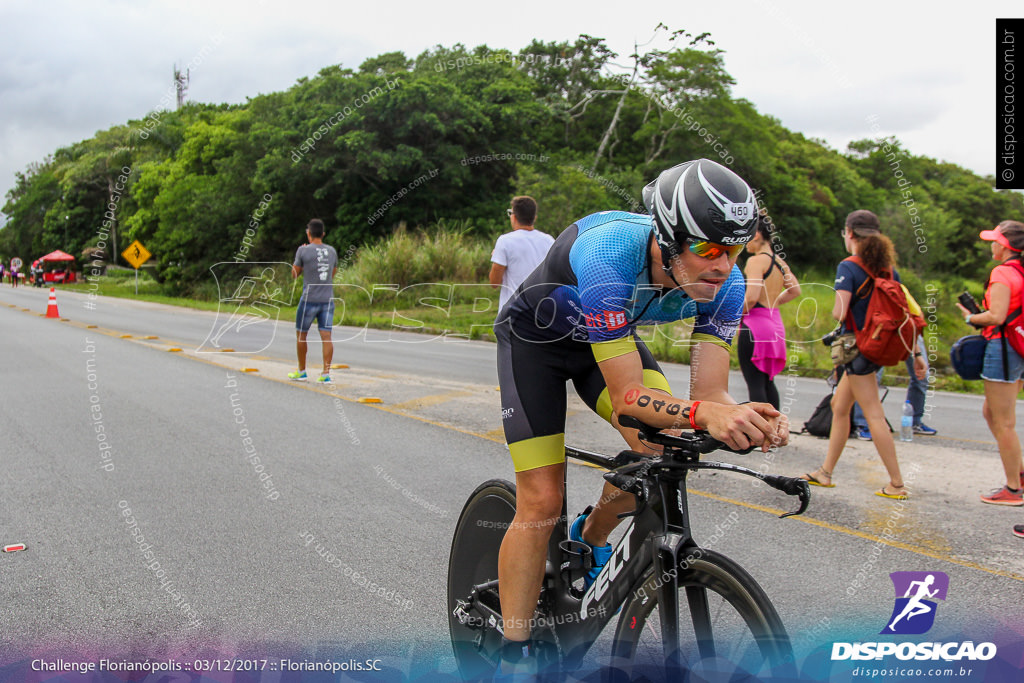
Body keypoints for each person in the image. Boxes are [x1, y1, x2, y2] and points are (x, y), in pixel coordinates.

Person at [492, 159, 788, 676]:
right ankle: (512, 652)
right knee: (541, 498)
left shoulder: (729, 287)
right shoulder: (608, 253)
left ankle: (591, 534)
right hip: (534, 347)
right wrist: (706, 413)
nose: (722, 266)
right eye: (707, 249)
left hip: (603, 348)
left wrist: (737, 414)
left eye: (735, 250)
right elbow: (629, 396)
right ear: (667, 238)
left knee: (666, 441)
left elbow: (709, 391)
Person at [800, 210, 918, 499]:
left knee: (873, 414)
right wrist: (917, 354)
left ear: (849, 233)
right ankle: (825, 473)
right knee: (841, 406)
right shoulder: (889, 269)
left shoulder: (849, 266)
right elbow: (907, 312)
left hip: (857, 349)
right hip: (878, 347)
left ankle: (897, 484)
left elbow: (840, 312)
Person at [956, 220, 1024, 507]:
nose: (992, 244)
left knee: (1003, 421)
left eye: (995, 240)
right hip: (1019, 346)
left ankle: (1014, 487)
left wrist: (971, 317)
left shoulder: (1002, 272)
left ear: (1006, 245)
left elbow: (995, 316)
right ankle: (1018, 471)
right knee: (991, 412)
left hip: (1003, 346)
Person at [737, 207, 801, 408]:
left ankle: (759, 434)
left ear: (755, 235)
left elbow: (752, 297)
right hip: (775, 326)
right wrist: (773, 303)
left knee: (754, 383)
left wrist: (733, 314)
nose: (744, 242)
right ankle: (774, 433)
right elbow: (795, 291)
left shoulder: (756, 261)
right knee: (767, 382)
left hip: (755, 327)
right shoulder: (780, 263)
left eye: (746, 236)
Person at [851, 335, 936, 440]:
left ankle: (914, 422)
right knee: (871, 378)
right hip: (880, 329)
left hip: (906, 330)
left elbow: (911, 322)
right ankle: (862, 424)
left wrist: (917, 353)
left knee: (922, 376)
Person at [289, 219, 338, 383]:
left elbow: (294, 274)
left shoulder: (303, 251)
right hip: (327, 299)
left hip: (309, 299)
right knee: (326, 336)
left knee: (302, 335)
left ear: (308, 234)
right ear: (323, 234)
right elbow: (333, 272)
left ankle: (302, 371)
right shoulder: (332, 251)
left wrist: (300, 257)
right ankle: (325, 374)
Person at [489, 196, 554, 313]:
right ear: (534, 217)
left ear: (513, 217)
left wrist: (496, 257)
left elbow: (494, 282)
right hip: (542, 312)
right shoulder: (549, 241)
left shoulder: (505, 241)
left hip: (513, 313)